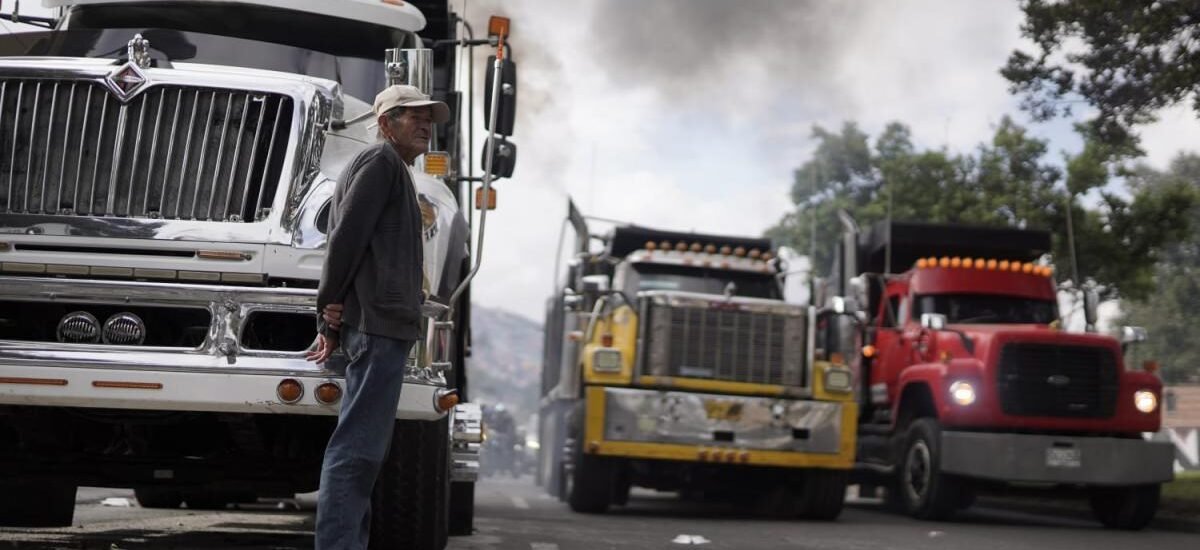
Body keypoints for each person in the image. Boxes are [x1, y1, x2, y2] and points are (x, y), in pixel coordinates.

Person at [306, 84, 450, 550]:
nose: (426, 123)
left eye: (429, 117)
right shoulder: (379, 162)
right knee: (357, 451)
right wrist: (326, 309)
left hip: (383, 324)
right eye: (413, 116)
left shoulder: (393, 169)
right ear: (385, 123)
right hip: (377, 327)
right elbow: (344, 238)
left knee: (365, 451)